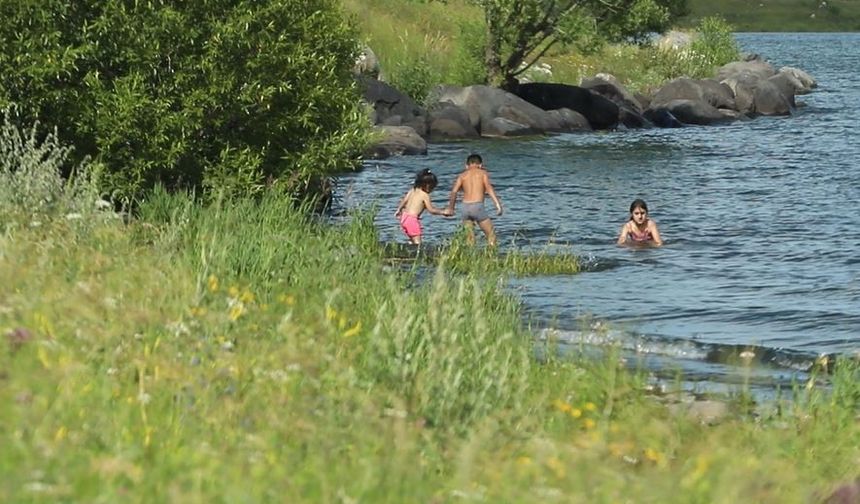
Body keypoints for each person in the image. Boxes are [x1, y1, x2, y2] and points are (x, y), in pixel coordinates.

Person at [446, 153, 503, 246]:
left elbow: (454, 192)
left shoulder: (462, 175)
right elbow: (489, 188)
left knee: (470, 239)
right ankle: (491, 257)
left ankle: (470, 257)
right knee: (491, 235)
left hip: (465, 207)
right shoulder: (483, 173)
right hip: (477, 206)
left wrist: (451, 208)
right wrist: (497, 205)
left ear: (466, 165)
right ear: (480, 165)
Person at [394, 168, 452, 245]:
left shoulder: (413, 190)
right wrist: (443, 212)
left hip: (404, 218)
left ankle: (408, 249)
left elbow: (404, 200)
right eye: (432, 188)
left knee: (412, 239)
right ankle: (417, 253)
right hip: (412, 219)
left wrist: (399, 210)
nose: (432, 190)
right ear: (428, 185)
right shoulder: (425, 195)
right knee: (418, 243)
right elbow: (431, 210)